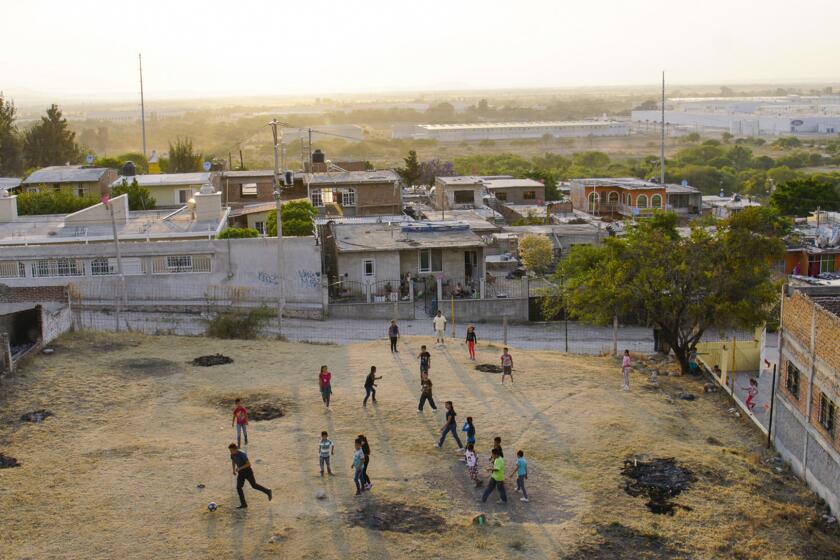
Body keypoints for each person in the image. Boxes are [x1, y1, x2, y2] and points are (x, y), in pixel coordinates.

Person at [229, 443, 272, 509]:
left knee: (254, 485)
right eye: (230, 451)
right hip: (241, 473)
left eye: (231, 450)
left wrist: (239, 468)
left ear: (235, 449)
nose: (230, 452)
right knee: (238, 487)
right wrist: (233, 470)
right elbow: (233, 461)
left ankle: (268, 491)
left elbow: (248, 464)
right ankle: (244, 504)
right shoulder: (232, 455)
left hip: (248, 471)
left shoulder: (242, 454)